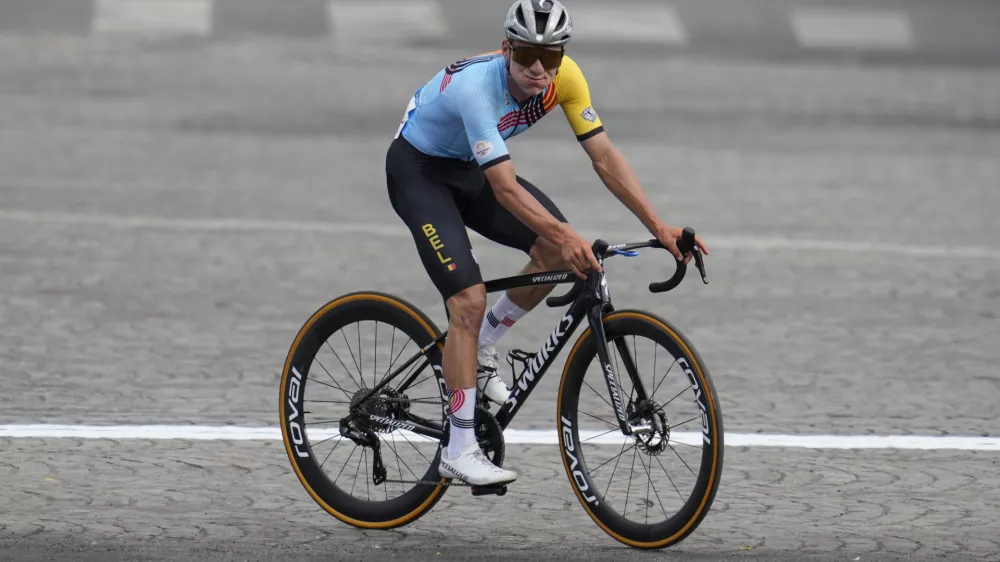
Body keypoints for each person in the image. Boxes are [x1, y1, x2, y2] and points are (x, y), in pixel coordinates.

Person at [384, 0, 708, 486]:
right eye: (526, 55)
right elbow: (504, 189)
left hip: (469, 168)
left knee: (557, 252)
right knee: (468, 302)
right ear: (506, 49)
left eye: (550, 57)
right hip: (419, 172)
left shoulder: (566, 79)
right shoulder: (479, 89)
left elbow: (604, 156)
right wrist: (568, 234)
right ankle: (459, 447)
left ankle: (482, 346)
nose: (538, 68)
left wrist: (659, 226)